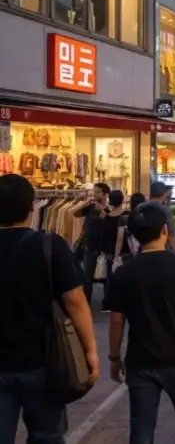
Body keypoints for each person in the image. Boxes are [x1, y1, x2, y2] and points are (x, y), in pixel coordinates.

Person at [105, 204, 175, 443]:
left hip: (140, 361)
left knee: (142, 429)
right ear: (165, 231)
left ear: (133, 236)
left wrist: (114, 357)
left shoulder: (125, 272)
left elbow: (116, 319)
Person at [0, 175, 98, 443]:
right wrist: (89, 350)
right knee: (47, 435)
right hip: (44, 360)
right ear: (32, 207)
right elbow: (76, 302)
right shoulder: (49, 246)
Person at [72, 181, 111, 303]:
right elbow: (75, 213)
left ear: (105, 195)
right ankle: (86, 301)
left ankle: (107, 302)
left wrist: (101, 210)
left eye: (98, 192)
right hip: (88, 246)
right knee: (87, 276)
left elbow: (108, 222)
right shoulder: (90, 208)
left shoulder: (108, 210)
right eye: (94, 191)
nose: (95, 194)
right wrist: (84, 203)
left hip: (102, 247)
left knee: (104, 275)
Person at [137, 182, 175, 251]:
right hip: (162, 247)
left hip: (143, 247)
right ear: (163, 194)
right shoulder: (165, 210)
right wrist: (174, 249)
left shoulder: (140, 207)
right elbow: (171, 233)